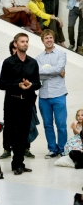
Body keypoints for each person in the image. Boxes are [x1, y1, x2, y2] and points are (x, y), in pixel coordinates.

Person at [0, 33, 41, 175]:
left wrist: (30, 85)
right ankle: (16, 163)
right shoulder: (8, 62)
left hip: (27, 102)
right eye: (22, 41)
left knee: (24, 134)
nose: (25, 44)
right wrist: (18, 85)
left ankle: (20, 163)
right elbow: (2, 85)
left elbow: (38, 83)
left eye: (27, 41)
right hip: (12, 101)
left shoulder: (33, 63)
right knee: (14, 133)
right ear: (15, 44)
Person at [36, 29, 67, 158]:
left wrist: (45, 70)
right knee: (48, 125)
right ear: (42, 40)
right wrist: (54, 72)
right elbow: (37, 73)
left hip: (59, 94)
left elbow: (59, 68)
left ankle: (63, 149)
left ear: (53, 39)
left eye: (50, 37)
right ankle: (52, 149)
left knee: (61, 125)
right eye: (46, 38)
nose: (49, 40)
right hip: (43, 96)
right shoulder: (38, 58)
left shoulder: (61, 54)